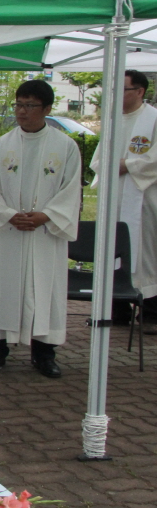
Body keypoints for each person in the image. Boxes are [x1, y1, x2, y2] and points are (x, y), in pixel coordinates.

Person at [0, 80, 81, 377]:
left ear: (47, 109)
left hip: (44, 233)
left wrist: (46, 215)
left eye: (29, 106)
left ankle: (44, 353)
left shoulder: (65, 146)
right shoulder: (1, 146)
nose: (21, 112)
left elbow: (71, 189)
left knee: (45, 289)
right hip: (9, 231)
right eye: (18, 104)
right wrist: (8, 214)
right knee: (3, 288)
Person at [90, 69, 157, 333]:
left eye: (122, 90)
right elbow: (98, 159)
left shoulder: (152, 119)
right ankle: (116, 310)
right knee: (111, 249)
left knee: (145, 254)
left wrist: (126, 165)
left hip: (143, 199)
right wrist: (109, 166)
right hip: (113, 196)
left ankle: (151, 312)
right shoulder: (112, 120)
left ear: (140, 91)